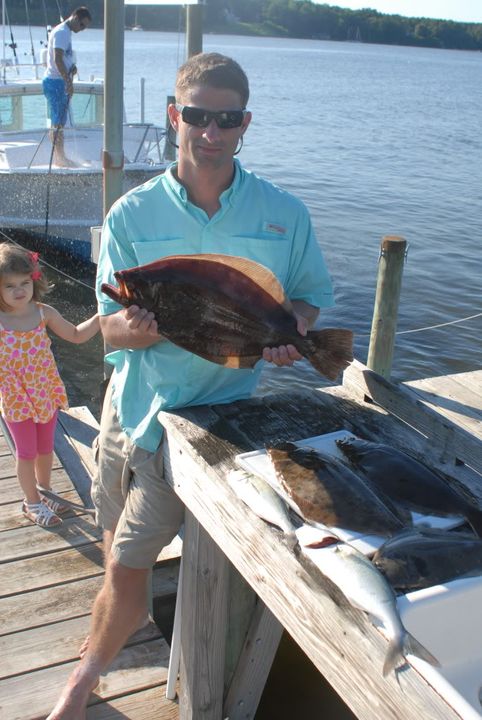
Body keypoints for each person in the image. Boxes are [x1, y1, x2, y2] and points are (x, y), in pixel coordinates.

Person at [46, 52, 335, 718]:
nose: (211, 130)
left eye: (226, 118)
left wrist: (294, 333)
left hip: (213, 425)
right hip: (132, 410)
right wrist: (141, 326)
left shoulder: (283, 213)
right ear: (175, 116)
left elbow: (309, 298)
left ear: (244, 124)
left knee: (126, 563)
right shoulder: (129, 215)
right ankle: (124, 627)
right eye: (198, 115)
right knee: (114, 540)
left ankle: (85, 677)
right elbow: (111, 330)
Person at [0, 243, 100, 528]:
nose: (19, 290)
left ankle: (45, 491)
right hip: (16, 398)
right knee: (26, 452)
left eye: (24, 282)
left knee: (46, 449)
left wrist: (101, 318)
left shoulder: (44, 313)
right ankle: (31, 503)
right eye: (9, 286)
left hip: (45, 392)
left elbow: (77, 335)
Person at [42, 6, 92, 167]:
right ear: (75, 18)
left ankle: (60, 157)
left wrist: (71, 68)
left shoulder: (66, 32)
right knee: (57, 122)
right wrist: (68, 82)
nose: (82, 29)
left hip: (60, 80)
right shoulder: (62, 32)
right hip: (56, 81)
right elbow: (57, 59)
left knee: (60, 122)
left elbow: (64, 58)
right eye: (82, 25)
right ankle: (59, 158)